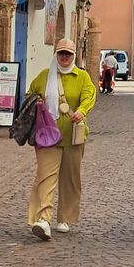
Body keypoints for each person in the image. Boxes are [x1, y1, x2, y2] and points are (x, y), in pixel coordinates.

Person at [27, 38, 96, 240]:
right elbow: (29, 93)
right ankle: (42, 219)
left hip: (73, 135)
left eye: (68, 54)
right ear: (55, 54)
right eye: (61, 53)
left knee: (70, 178)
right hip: (47, 135)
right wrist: (37, 101)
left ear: (74, 55)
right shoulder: (44, 76)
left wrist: (82, 112)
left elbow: (89, 97)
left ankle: (65, 217)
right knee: (45, 176)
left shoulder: (82, 76)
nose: (64, 57)